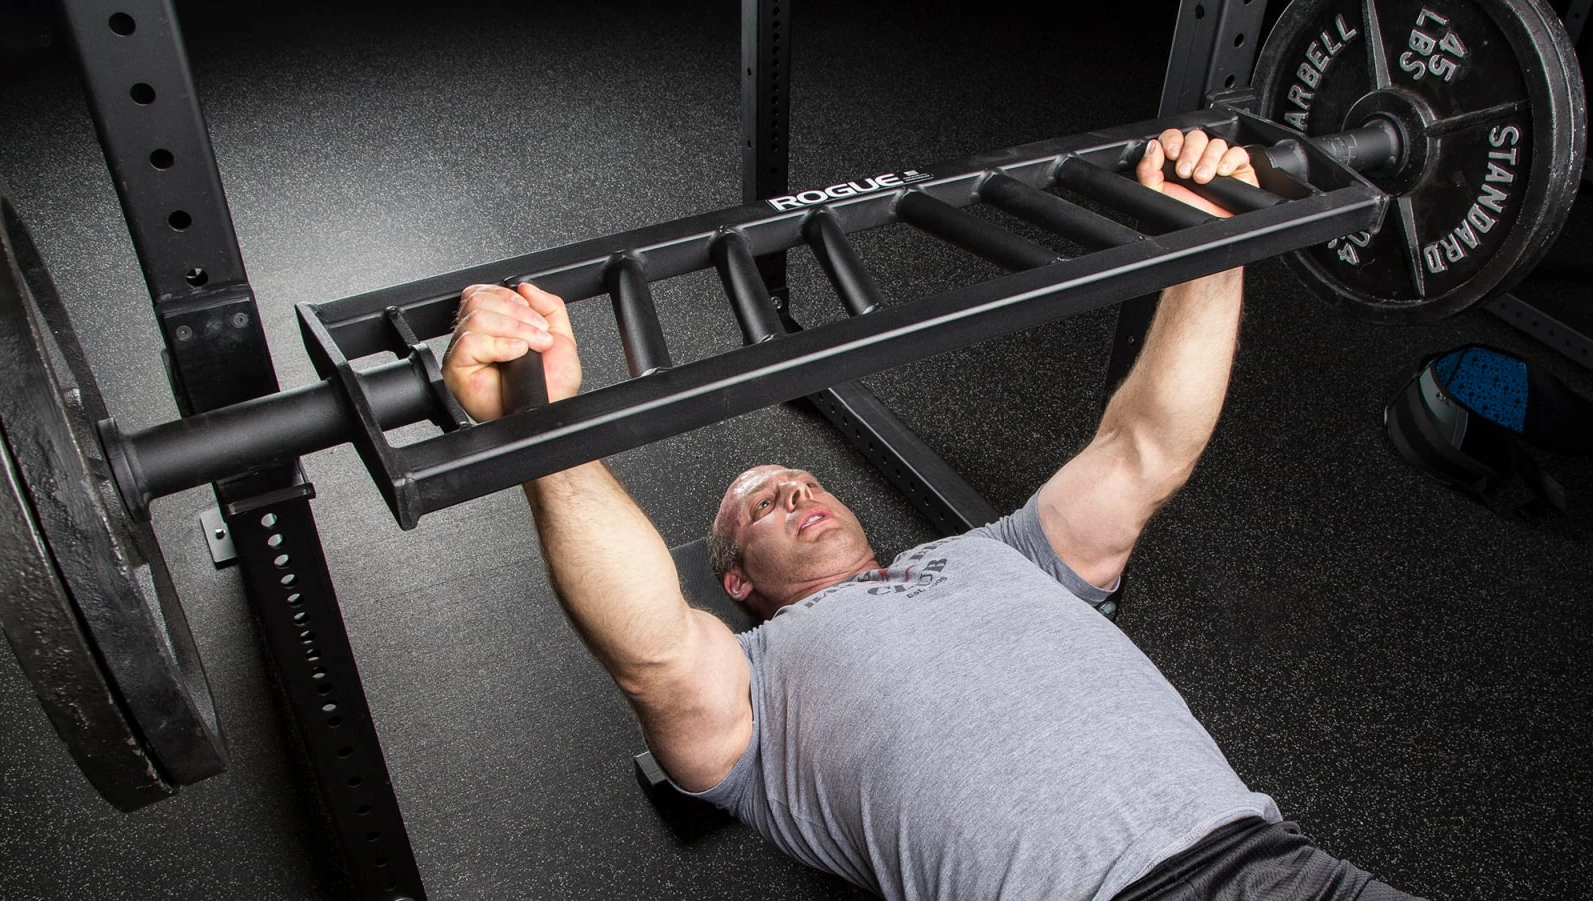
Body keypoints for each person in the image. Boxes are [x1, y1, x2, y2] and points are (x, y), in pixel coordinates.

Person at [441, 129, 1423, 901]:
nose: (798, 492)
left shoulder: (1006, 554)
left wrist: (1212, 242)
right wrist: (541, 425)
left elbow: (1143, 450)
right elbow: (649, 652)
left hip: (1285, 865)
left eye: (804, 481)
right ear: (735, 578)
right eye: (765, 505)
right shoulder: (752, 693)